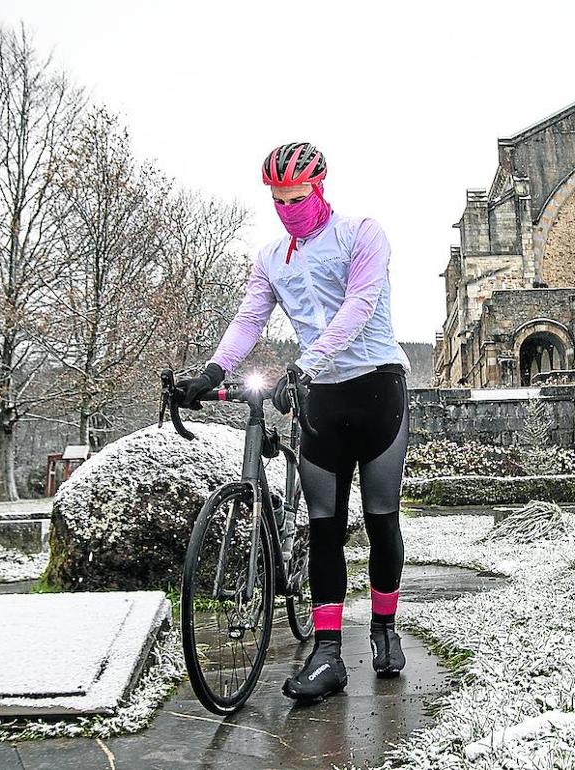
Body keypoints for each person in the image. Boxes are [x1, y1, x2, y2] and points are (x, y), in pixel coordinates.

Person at [173, 142, 411, 705]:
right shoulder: (271, 256)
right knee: (324, 526)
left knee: (380, 519)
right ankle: (326, 653)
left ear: (320, 187)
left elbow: (359, 304)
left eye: (296, 197)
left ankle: (383, 628)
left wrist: (305, 363)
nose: (287, 208)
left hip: (377, 387)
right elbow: (249, 318)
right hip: (319, 399)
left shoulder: (362, 233)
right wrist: (210, 372)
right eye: (277, 200)